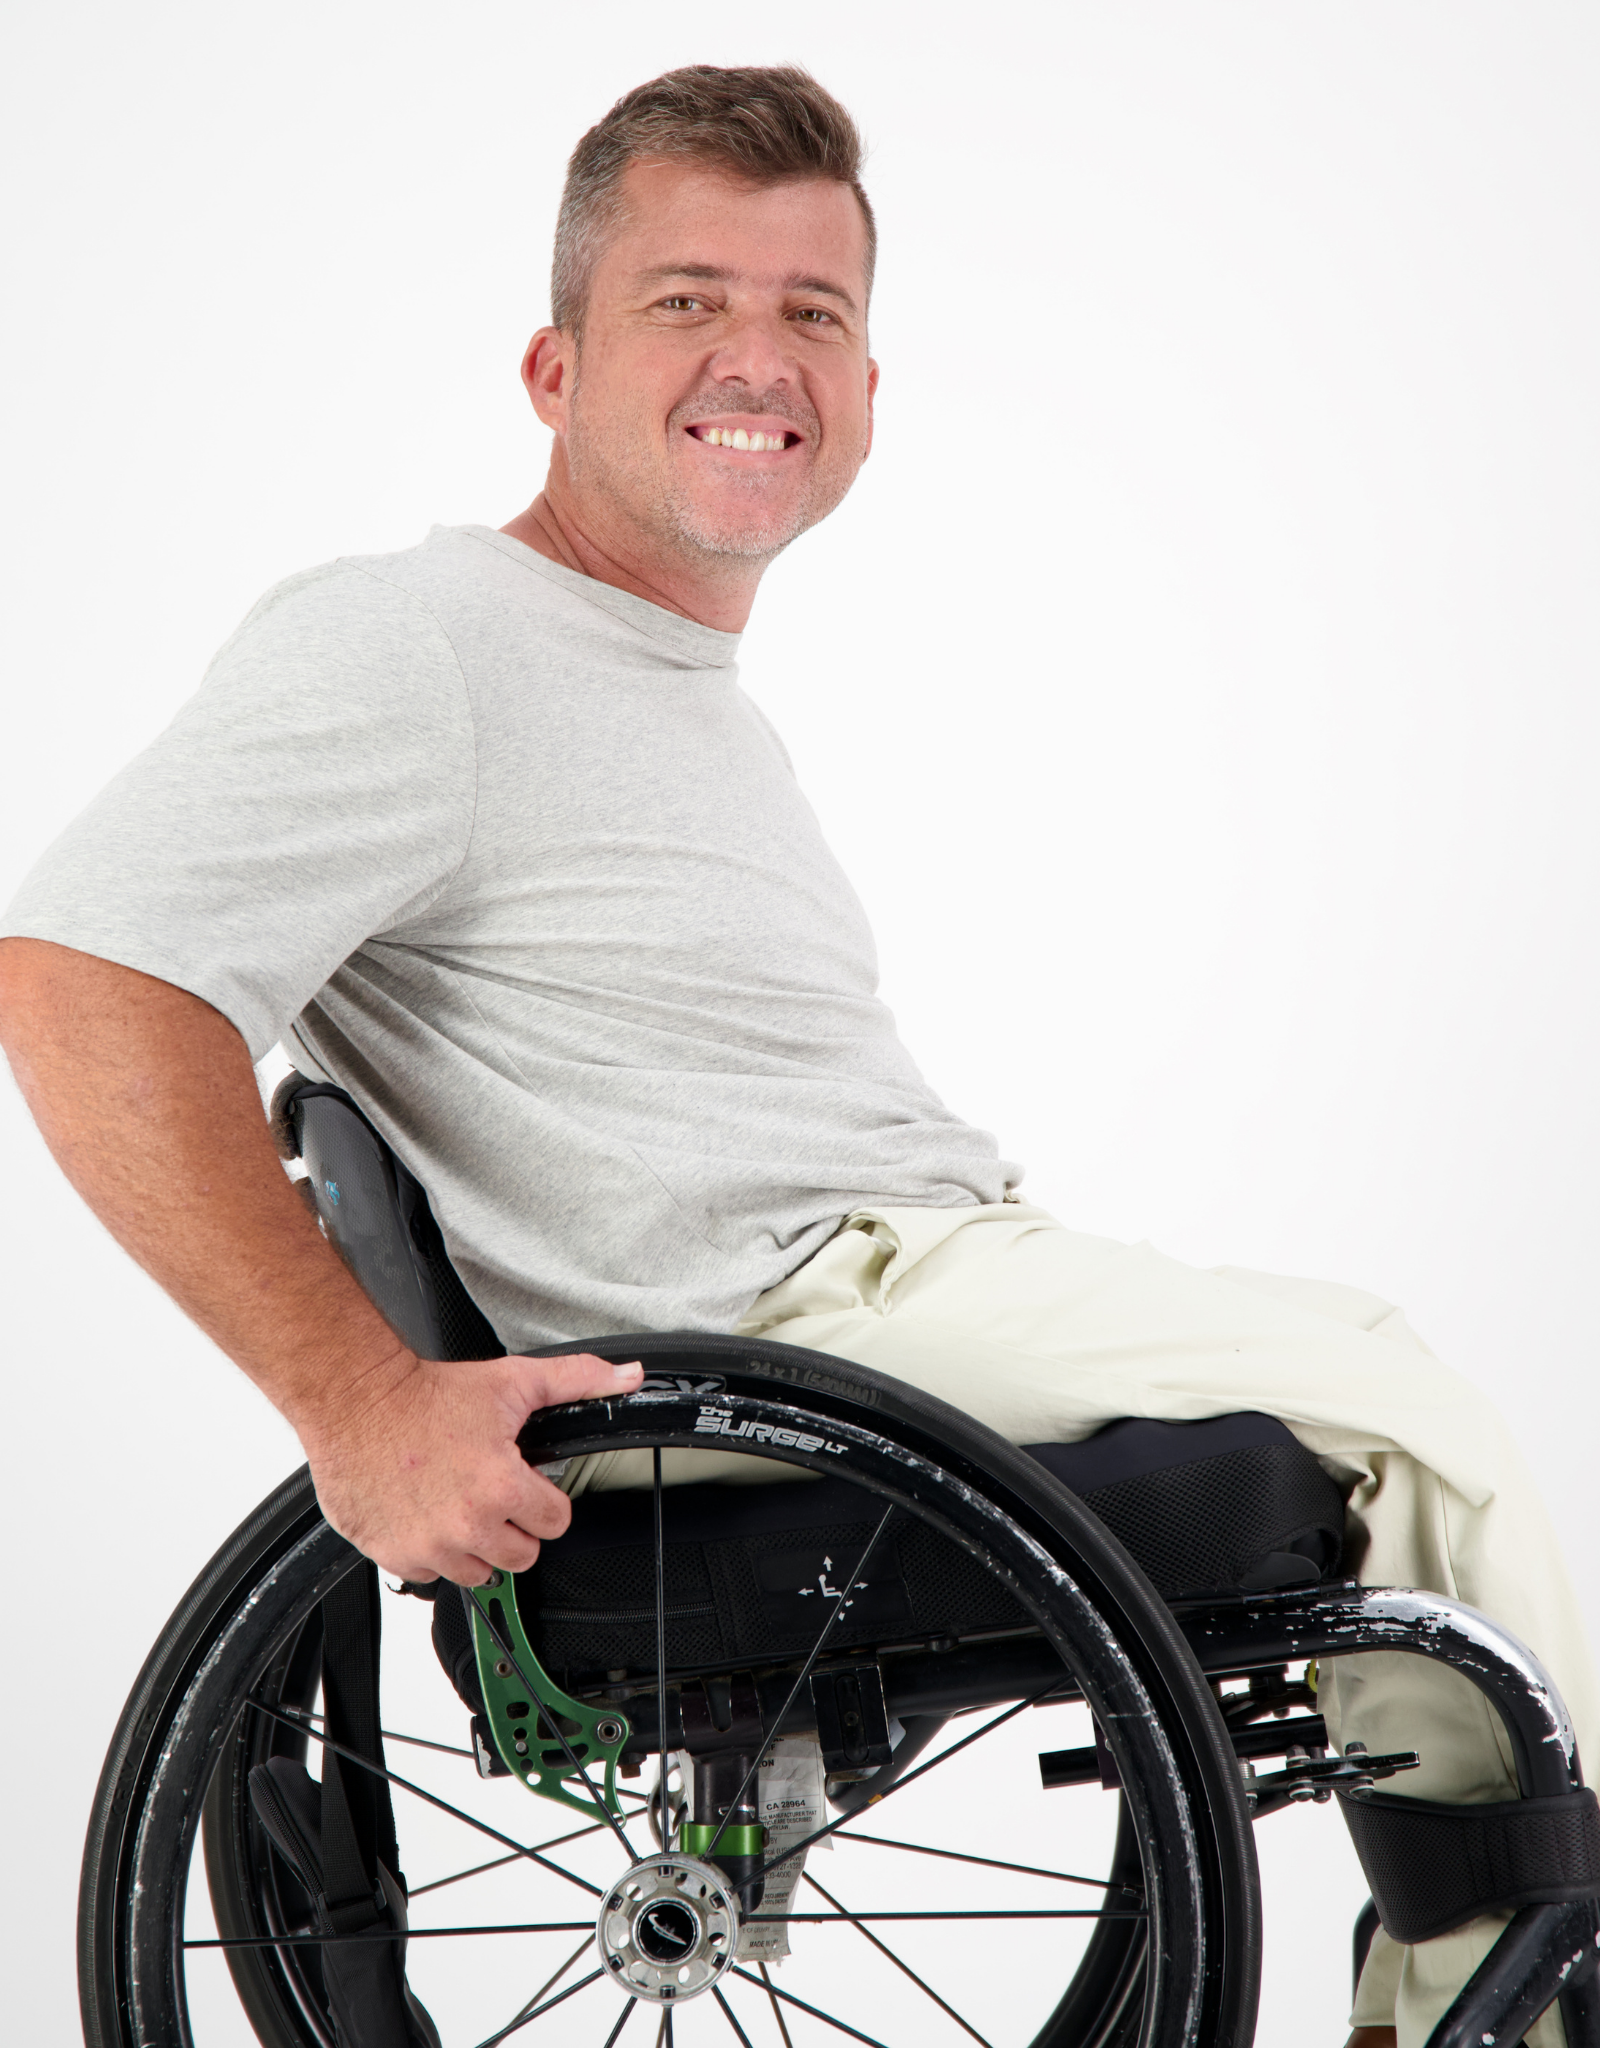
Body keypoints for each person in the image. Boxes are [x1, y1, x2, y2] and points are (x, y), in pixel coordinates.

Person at [0, 64, 1589, 2048]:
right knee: (1406, 1414)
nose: (755, 354)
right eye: (685, 300)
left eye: (809, 314)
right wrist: (355, 1399)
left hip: (867, 1299)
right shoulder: (420, 644)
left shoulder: (663, 688)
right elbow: (80, 973)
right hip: (784, 1332)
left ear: (859, 389)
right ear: (549, 363)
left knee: (1362, 1420)